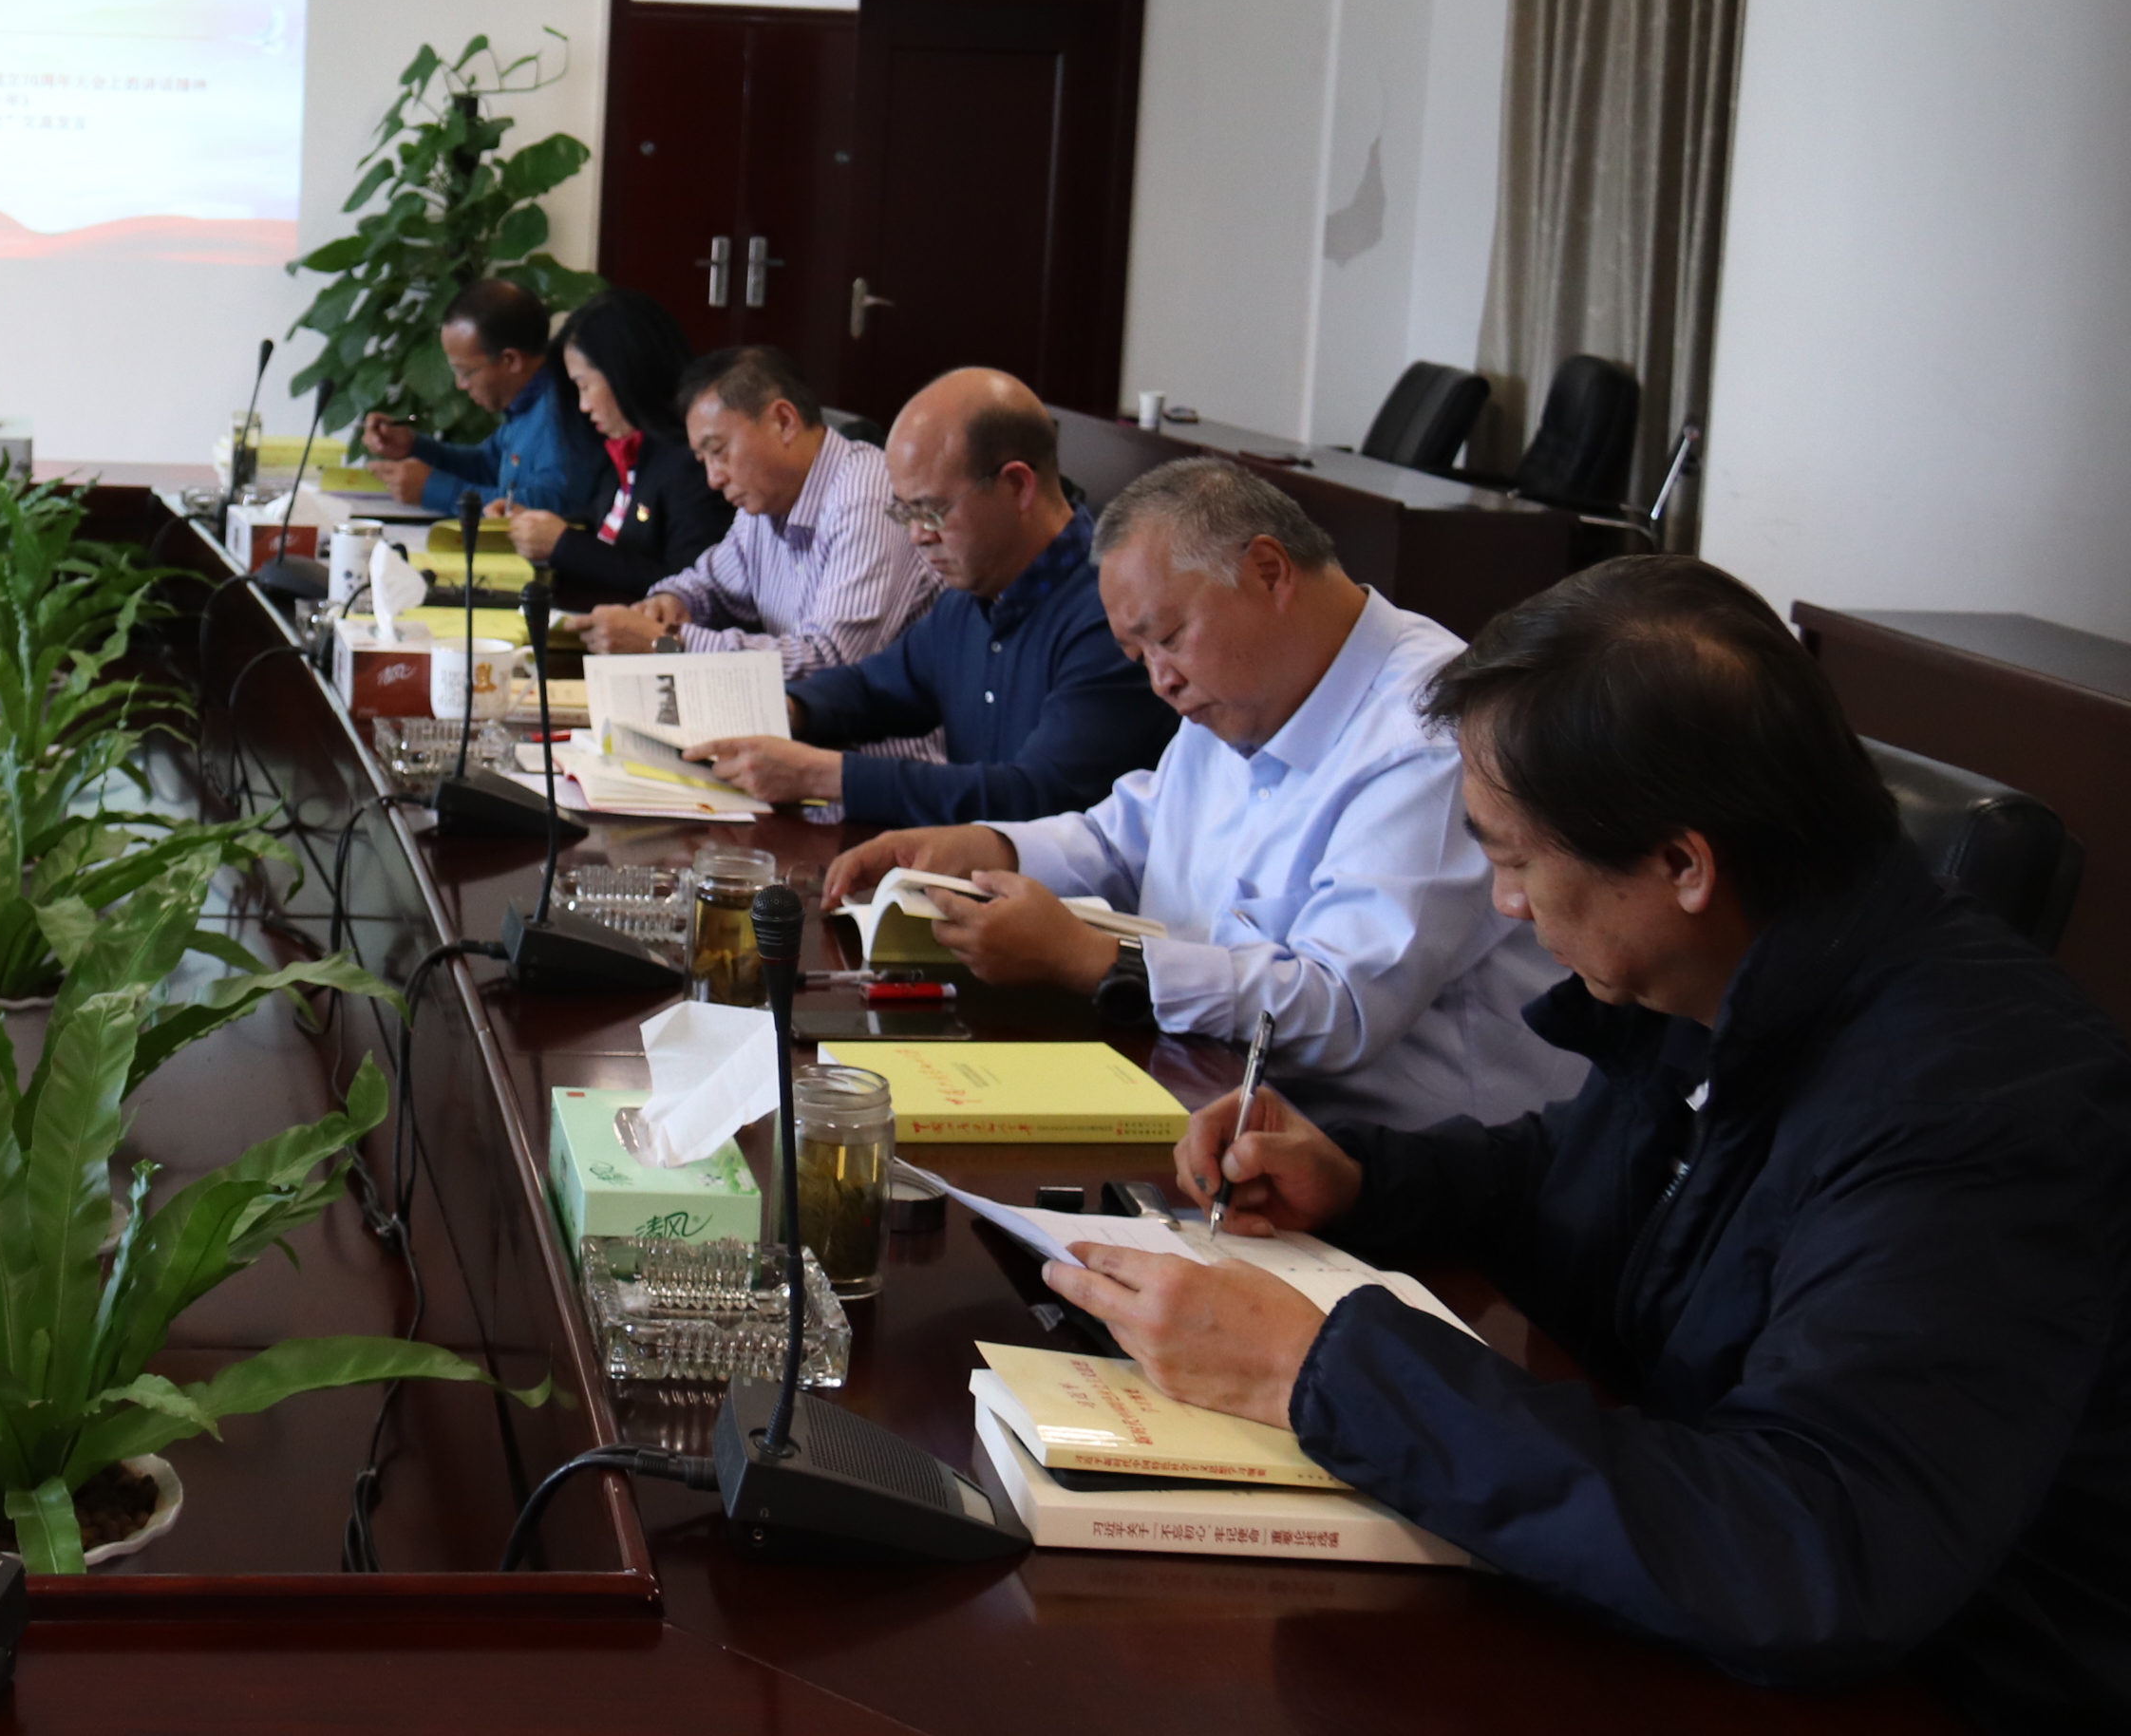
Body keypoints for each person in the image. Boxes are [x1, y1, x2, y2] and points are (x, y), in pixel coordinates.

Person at [1047, 559, 2131, 1731]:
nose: (1506, 905)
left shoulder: (1979, 1104)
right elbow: (1582, 1177)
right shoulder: (1737, 971)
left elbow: (1812, 1551)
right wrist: (1361, 1177)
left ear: (1682, 865)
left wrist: (1315, 1373)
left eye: (1515, 858)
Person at [825, 455, 1580, 1126]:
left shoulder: (1429, 737)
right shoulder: (1247, 685)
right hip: (1205, 1099)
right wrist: (991, 848)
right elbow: (1129, 837)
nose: (1161, 679)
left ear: (1268, 571)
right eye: (1139, 654)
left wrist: (1100, 961)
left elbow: (1341, 1009)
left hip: (1388, 1171)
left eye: (1168, 638)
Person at [689, 367, 1173, 825]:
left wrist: (825, 776)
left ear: (1017, 486)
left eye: (932, 511)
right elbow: (877, 688)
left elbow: (1039, 798)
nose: (918, 535)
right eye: (905, 513)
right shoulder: (971, 596)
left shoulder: (1111, 614)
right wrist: (790, 710)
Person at [577, 347, 939, 681]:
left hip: (880, 730)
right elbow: (711, 586)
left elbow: (830, 665)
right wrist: (670, 602)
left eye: (719, 451)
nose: (714, 479)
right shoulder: (765, 503)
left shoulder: (865, 500)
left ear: (783, 421)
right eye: (704, 460)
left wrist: (664, 643)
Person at [500, 288, 725, 602]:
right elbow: (607, 526)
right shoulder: (630, 450)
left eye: (585, 386)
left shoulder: (693, 465)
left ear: (626, 372)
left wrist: (564, 544)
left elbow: (690, 588)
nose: (583, 406)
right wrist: (538, 525)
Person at [357, 277, 608, 526]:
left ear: (511, 360)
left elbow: (555, 508)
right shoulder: (525, 402)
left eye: (466, 372)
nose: (460, 384)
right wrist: (415, 447)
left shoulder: (564, 412)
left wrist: (439, 491)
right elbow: (487, 466)